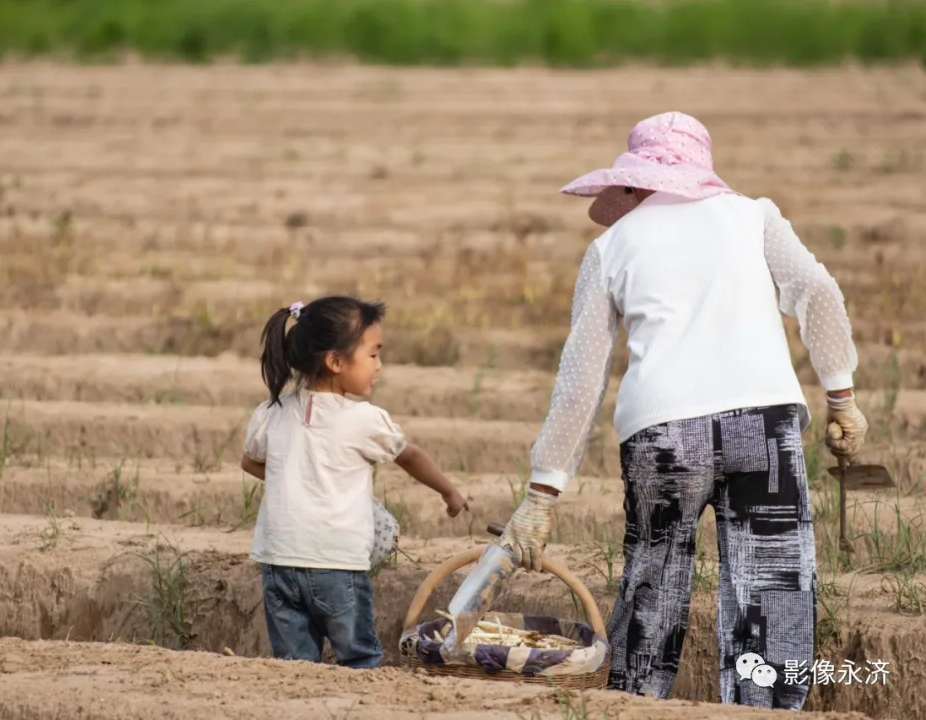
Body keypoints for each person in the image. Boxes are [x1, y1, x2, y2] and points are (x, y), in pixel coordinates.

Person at [495, 112, 868, 710]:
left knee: (654, 580)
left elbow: (580, 379)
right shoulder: (754, 216)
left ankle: (637, 702)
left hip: (663, 434)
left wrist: (542, 493)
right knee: (773, 590)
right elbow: (818, 293)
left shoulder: (609, 246)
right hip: (764, 425)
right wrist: (841, 395)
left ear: (634, 183)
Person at [240, 295, 470, 669]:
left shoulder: (271, 412)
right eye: (373, 354)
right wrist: (449, 491)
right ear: (335, 361)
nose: (379, 365)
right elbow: (409, 455)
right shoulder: (362, 419)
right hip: (336, 564)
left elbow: (250, 461)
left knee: (294, 666)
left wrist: (295, 476)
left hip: (278, 562)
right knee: (359, 659)